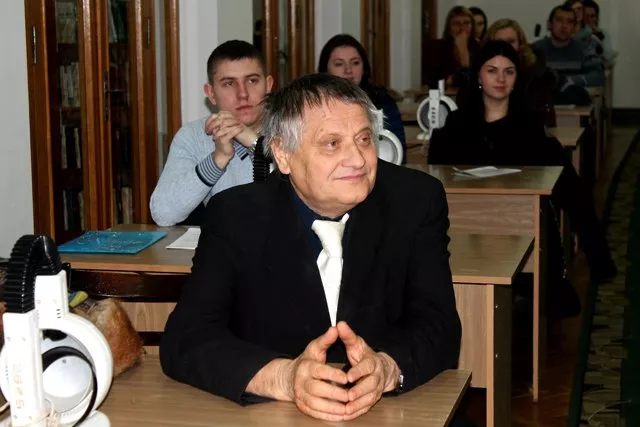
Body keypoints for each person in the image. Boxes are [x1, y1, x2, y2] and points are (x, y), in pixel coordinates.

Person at [160, 74, 462, 421]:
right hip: (273, 416)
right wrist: (282, 377)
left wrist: (388, 368)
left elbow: (438, 323)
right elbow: (187, 337)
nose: (358, 160)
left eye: (364, 139)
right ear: (283, 155)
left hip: (389, 414)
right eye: (332, 144)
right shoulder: (235, 215)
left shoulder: (415, 201)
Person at [428, 40, 616, 301]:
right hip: (466, 229)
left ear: (517, 78)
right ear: (479, 76)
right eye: (492, 70)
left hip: (519, 229)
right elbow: (436, 182)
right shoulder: (457, 124)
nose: (501, 79)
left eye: (509, 71)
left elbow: (574, 195)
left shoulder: (530, 126)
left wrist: (599, 258)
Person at [149, 40, 273, 226]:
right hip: (226, 243)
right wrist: (218, 159)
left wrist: (256, 144)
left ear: (268, 85)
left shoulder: (295, 128)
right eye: (229, 83)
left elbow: (306, 203)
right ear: (211, 93)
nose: (243, 94)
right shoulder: (195, 136)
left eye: (252, 81)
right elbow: (163, 214)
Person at [317, 34, 406, 163]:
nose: (348, 70)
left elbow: (400, 151)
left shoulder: (382, 100)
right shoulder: (315, 105)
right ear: (326, 69)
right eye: (339, 64)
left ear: (364, 67)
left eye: (355, 63)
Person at [481, 18, 557, 126]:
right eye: (499, 42)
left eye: (510, 42)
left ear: (520, 45)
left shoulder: (536, 78)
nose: (506, 46)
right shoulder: (479, 75)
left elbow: (545, 120)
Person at [533, 4, 605, 87]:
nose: (564, 26)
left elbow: (598, 76)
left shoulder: (585, 48)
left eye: (569, 22)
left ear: (574, 27)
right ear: (549, 24)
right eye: (559, 20)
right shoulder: (535, 49)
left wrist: (568, 81)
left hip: (574, 94)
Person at [422, 6, 480, 88]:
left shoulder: (478, 48)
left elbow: (475, 79)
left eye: (466, 23)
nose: (462, 28)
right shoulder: (435, 48)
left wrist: (463, 52)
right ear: (449, 29)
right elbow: (431, 79)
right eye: (456, 24)